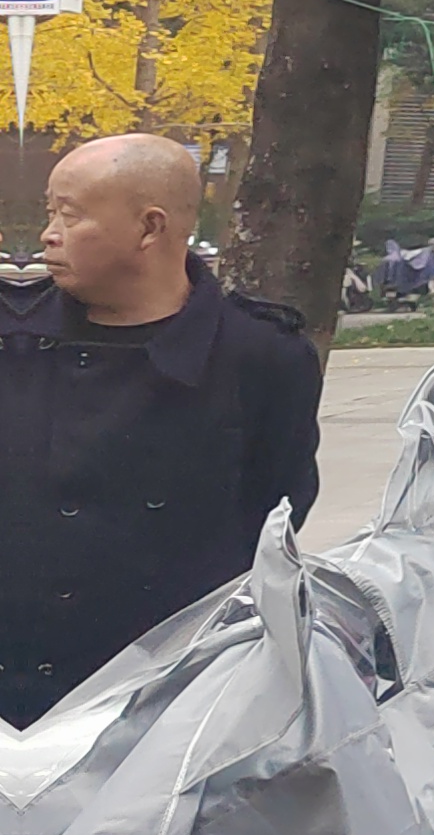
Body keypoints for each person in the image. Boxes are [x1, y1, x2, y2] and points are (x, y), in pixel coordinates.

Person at [0, 135, 321, 727]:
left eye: (69, 215)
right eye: (49, 213)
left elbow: (275, 514)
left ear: (150, 228)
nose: (48, 234)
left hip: (166, 704)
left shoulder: (261, 357)